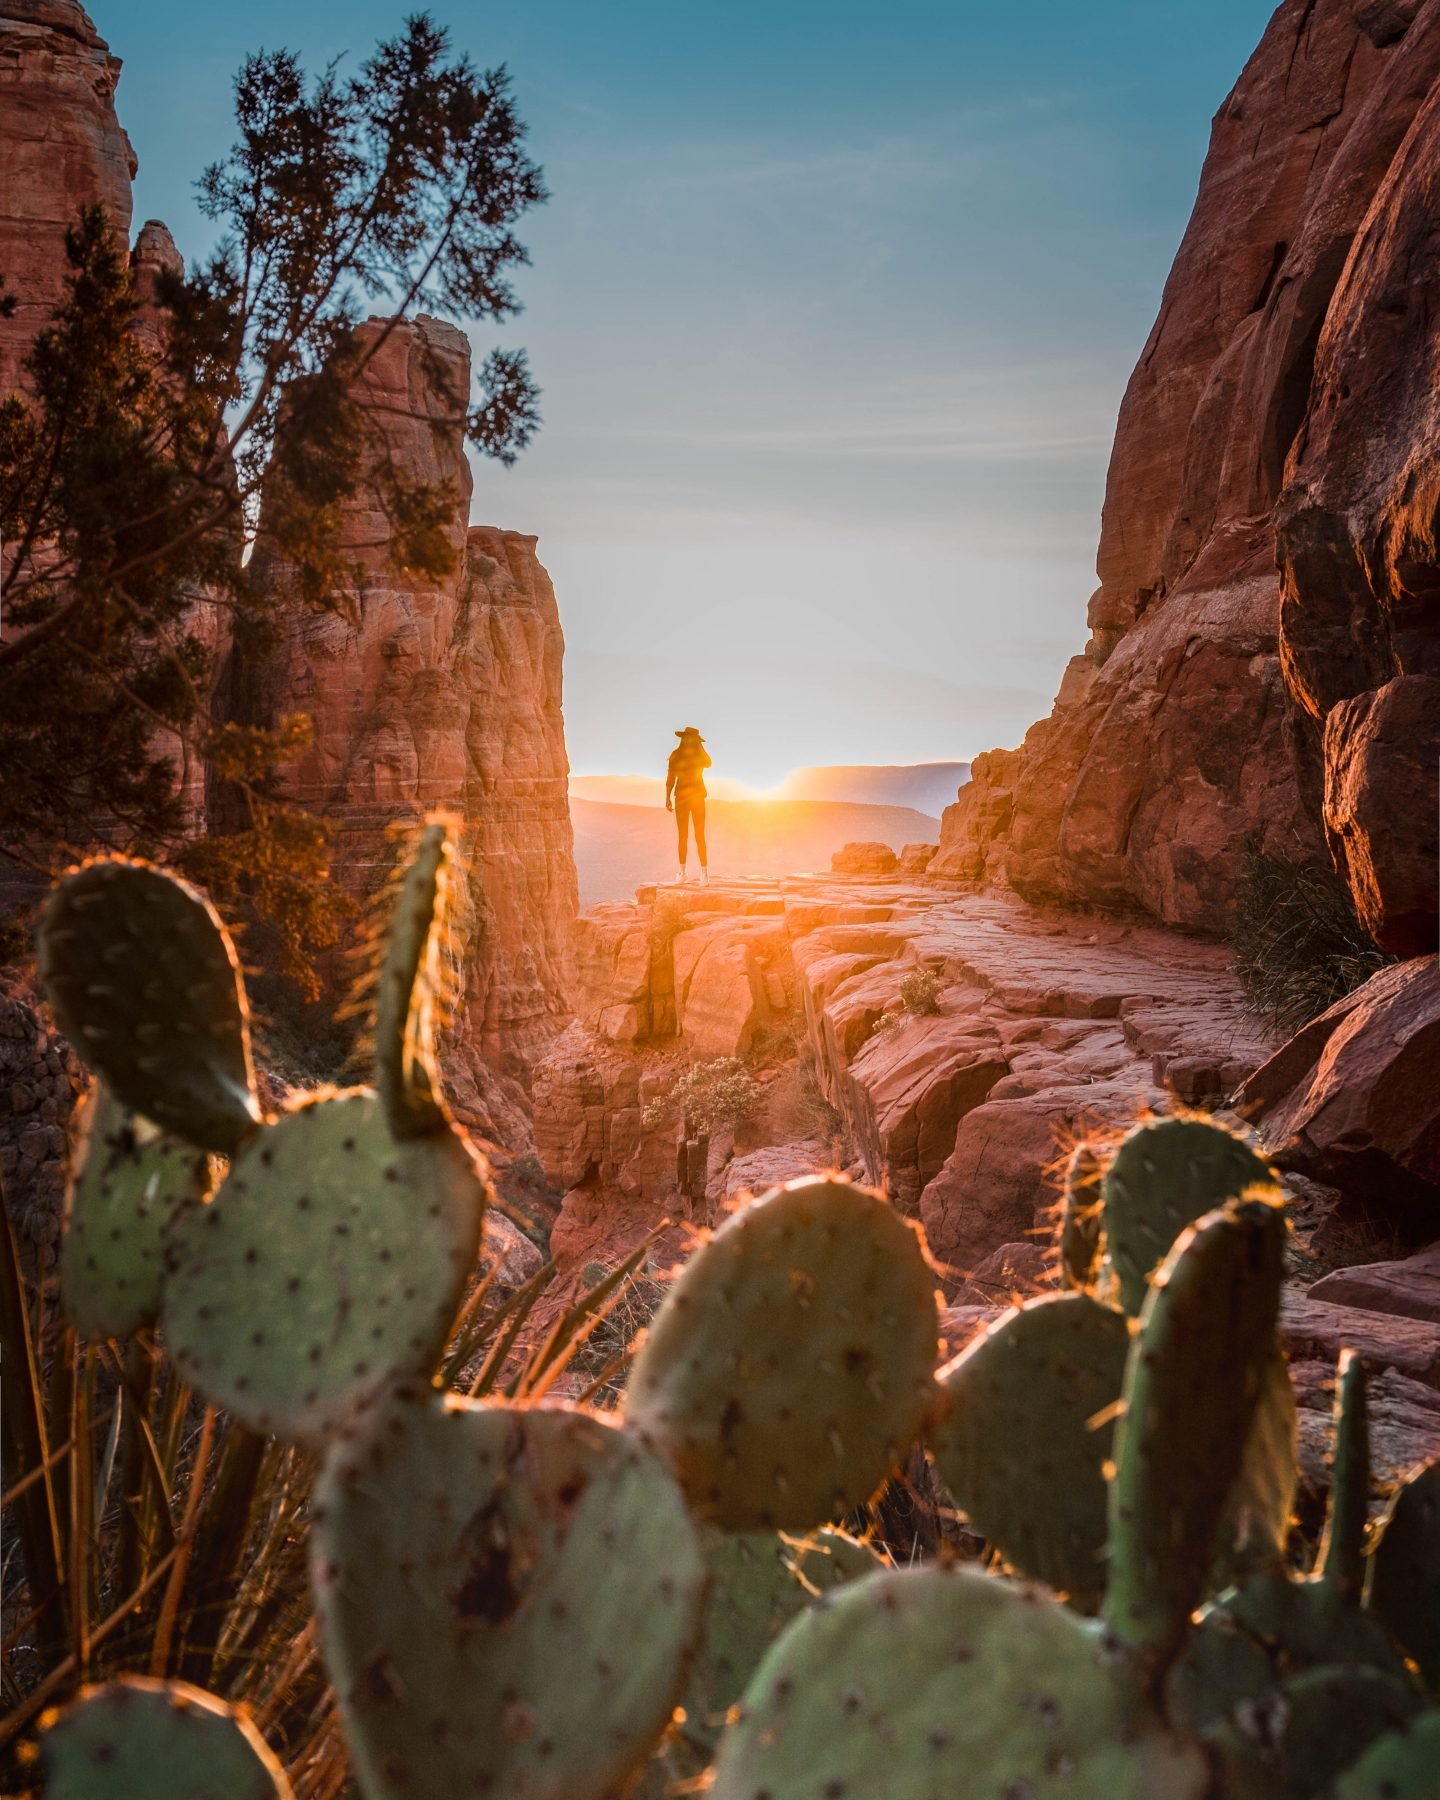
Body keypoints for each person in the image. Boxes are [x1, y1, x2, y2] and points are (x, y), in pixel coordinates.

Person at [665, 726, 711, 884]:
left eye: (692, 739)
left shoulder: (699, 755)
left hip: (697, 797)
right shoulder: (676, 755)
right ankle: (682, 872)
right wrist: (667, 797)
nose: (688, 740)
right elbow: (670, 777)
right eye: (687, 738)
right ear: (682, 738)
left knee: (699, 835)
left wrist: (700, 745)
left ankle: (704, 874)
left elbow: (709, 763)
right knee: (682, 835)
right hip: (682, 798)